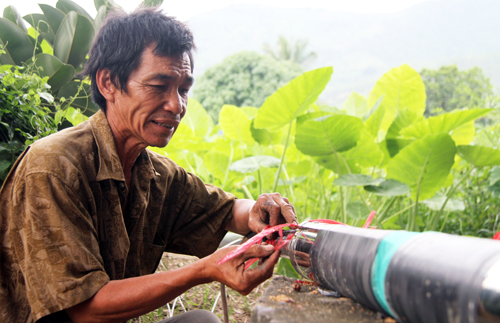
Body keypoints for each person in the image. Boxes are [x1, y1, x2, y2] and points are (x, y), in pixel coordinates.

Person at [0, 7, 297, 323]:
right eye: (159, 86)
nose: (176, 105)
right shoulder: (53, 167)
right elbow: (86, 308)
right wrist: (206, 269)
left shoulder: (157, 174)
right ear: (108, 83)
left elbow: (225, 211)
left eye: (183, 89)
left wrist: (260, 209)